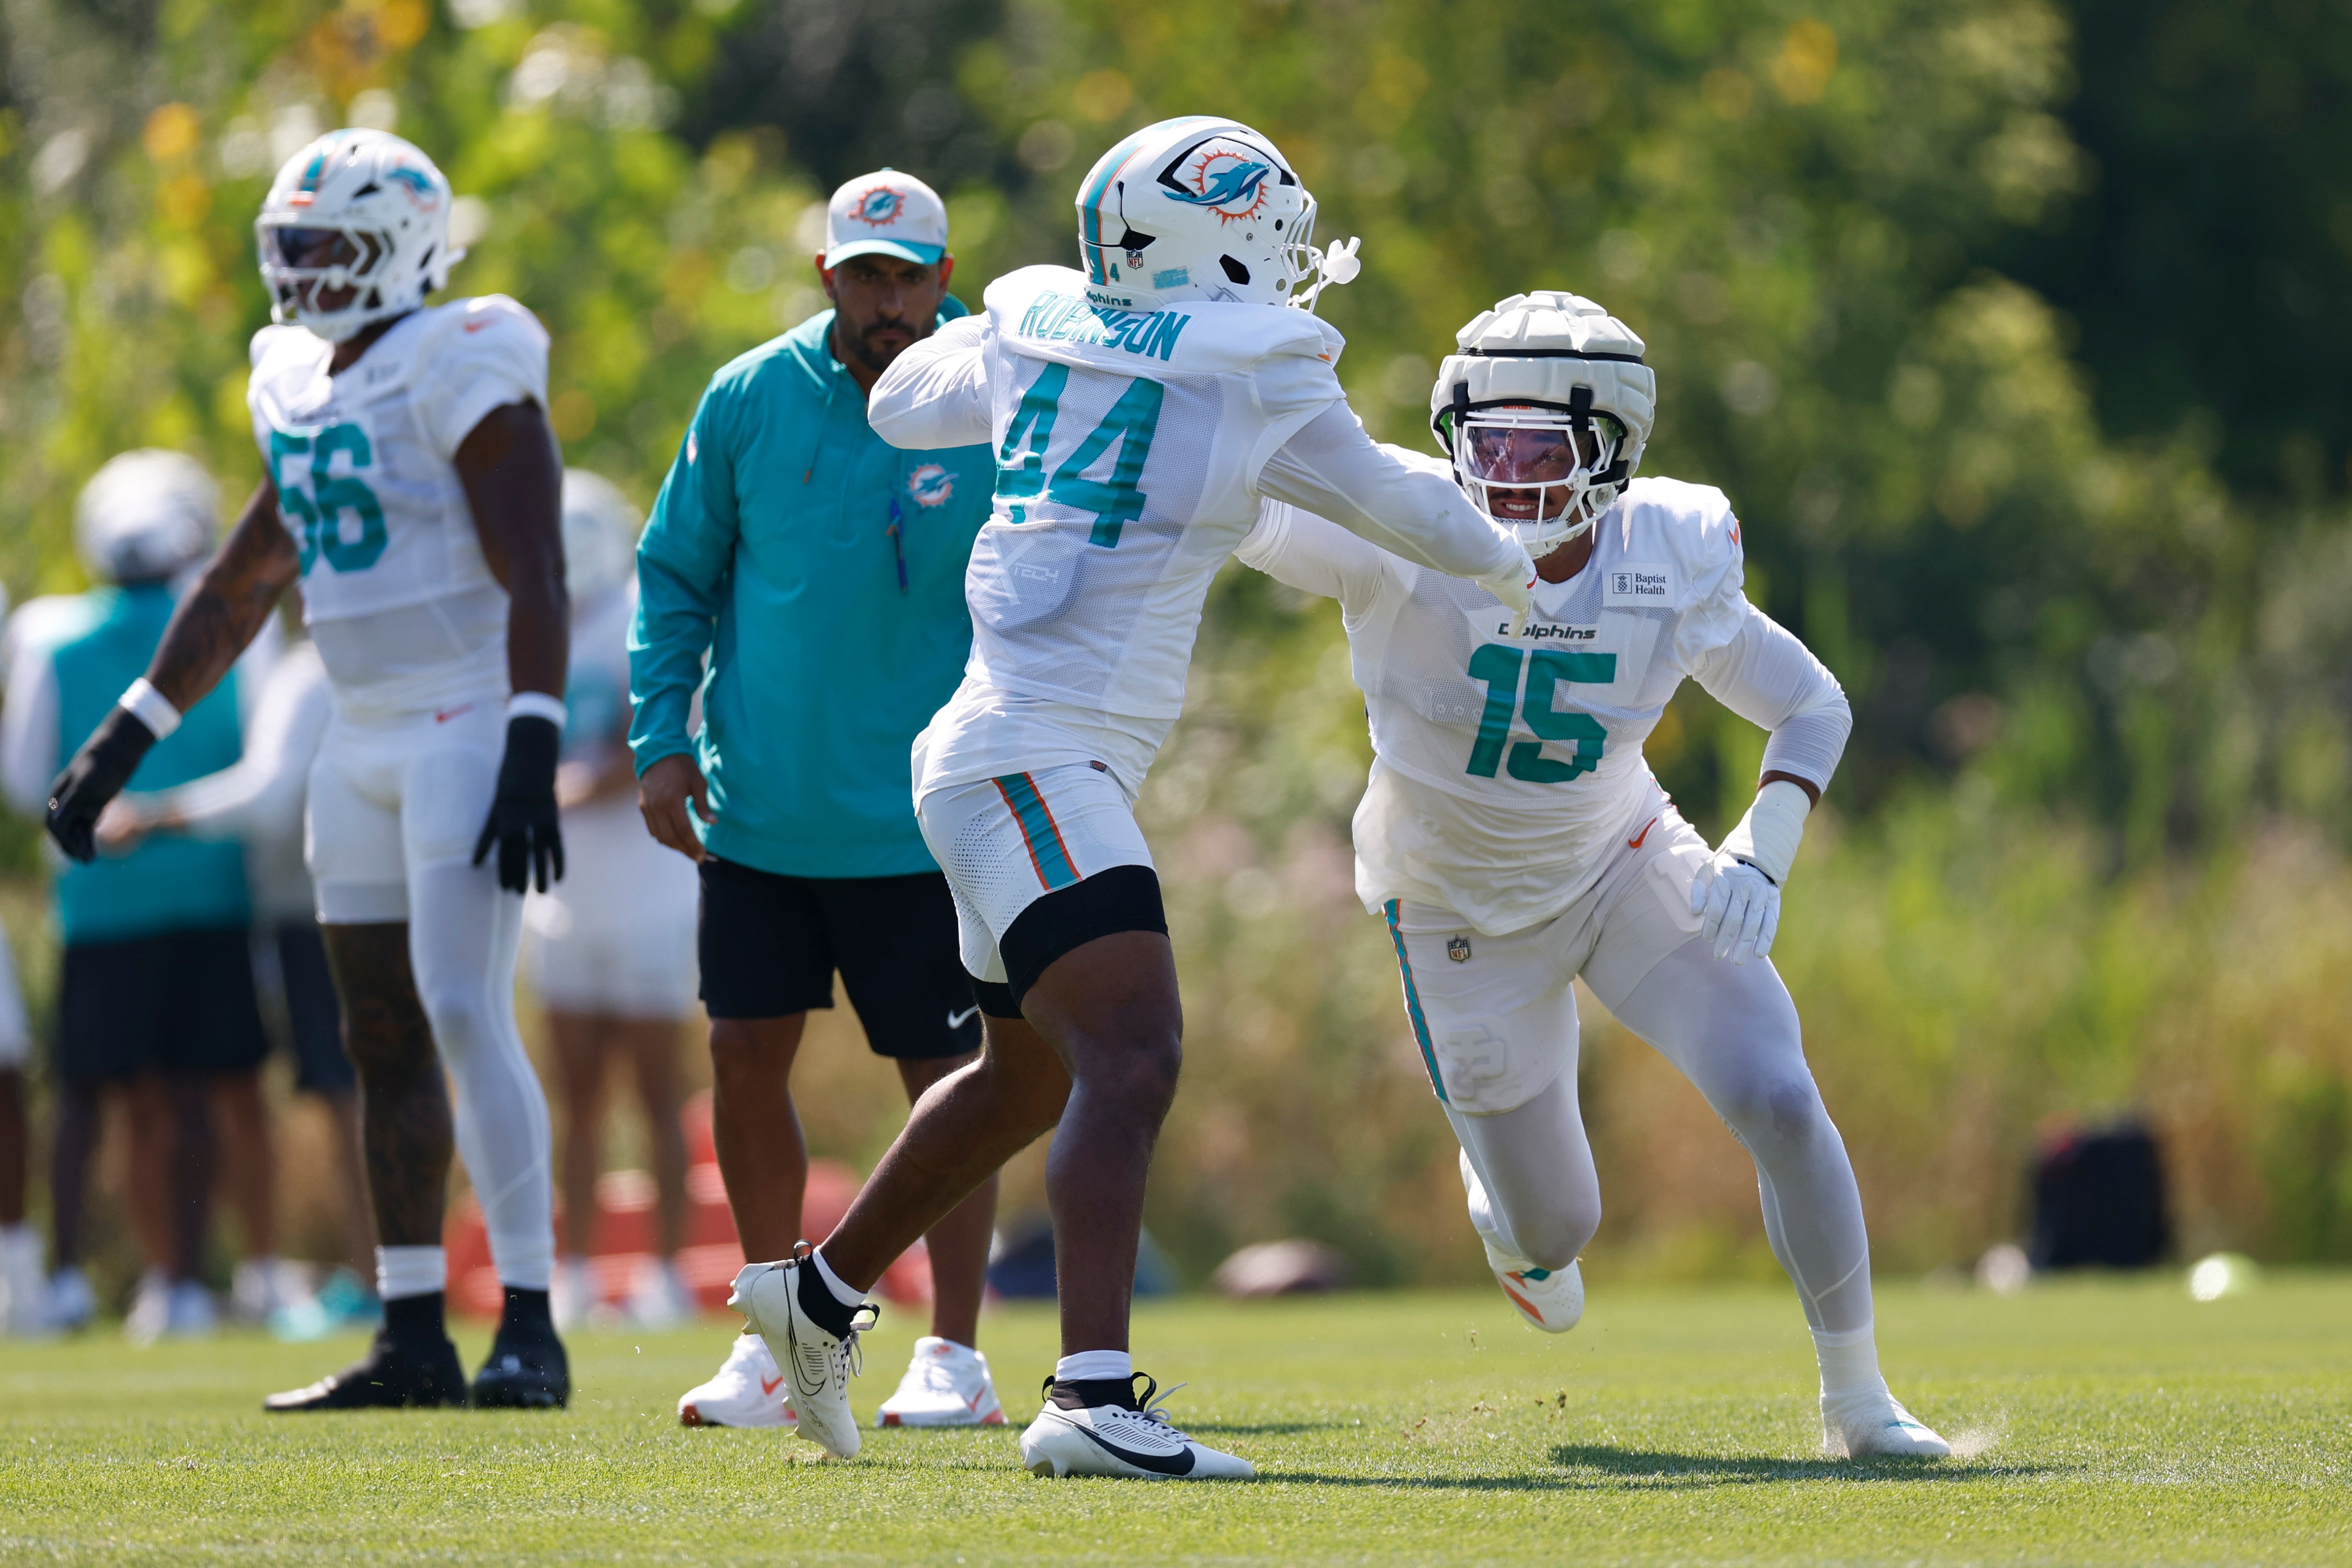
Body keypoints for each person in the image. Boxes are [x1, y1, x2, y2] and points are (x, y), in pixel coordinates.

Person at [731, 116, 1536, 1478]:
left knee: (1021, 1082)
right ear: (1215, 248)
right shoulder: (1256, 371)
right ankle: (1092, 1398)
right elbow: (1401, 499)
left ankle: (809, 1303)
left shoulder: (1038, 317)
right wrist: (1514, 563)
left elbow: (898, 404)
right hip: (1038, 754)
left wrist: (1028, 354)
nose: (1285, 270)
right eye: (1267, 243)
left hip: (992, 747)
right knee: (1137, 1051)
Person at [1236, 289, 1950, 1459]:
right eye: (1485, 442)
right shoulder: (1398, 530)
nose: (1506, 475)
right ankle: (1508, 1219)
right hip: (1455, 906)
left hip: (1622, 859)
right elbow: (1246, 508)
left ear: (1613, 448)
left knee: (1778, 1096)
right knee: (1560, 1228)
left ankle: (1860, 1401)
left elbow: (1809, 702)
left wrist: (1764, 846)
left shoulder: (1669, 547)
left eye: (1538, 447)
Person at [43, 128, 571, 1410]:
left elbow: (538, 562)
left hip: (460, 720)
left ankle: (531, 1327)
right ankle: (409, 1333)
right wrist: (123, 739)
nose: (301, 271)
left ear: (399, 248)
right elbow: (239, 583)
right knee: (374, 1030)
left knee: (459, 1009)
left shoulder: (464, 357)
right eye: (291, 246)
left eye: (326, 245)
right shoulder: (297, 379)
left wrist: (532, 734)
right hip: (360, 729)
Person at [631, 169, 1008, 1432]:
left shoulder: (997, 396)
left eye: (910, 277)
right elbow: (676, 573)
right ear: (829, 278)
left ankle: (953, 1353)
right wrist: (657, 740)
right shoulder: (747, 397)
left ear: (945, 279)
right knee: (742, 1061)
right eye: (866, 276)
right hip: (762, 812)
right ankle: (777, 1340)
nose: (889, 300)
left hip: (928, 813)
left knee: (952, 1076)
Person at [2, 450, 276, 1343]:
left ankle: (65, 1280)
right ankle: (183, 1285)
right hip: (210, 893)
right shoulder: (242, 628)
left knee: (88, 1095)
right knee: (194, 1092)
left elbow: (22, 780)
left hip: (98, 903)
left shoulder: (52, 638)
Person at [98, 625, 380, 1333]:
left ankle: (385, 1279)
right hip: (368, 897)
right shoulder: (390, 658)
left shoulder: (309, 675)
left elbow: (269, 796)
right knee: (372, 1085)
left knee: (359, 1093)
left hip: (327, 906)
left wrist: (153, 816)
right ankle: (383, 1275)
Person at [527, 471, 699, 1332]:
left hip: (649, 893)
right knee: (577, 1101)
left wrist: (557, 789)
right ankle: (579, 1271)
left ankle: (664, 1275)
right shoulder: (536, 625)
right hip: (563, 895)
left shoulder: (643, 615)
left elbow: (648, 744)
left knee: (660, 1098)